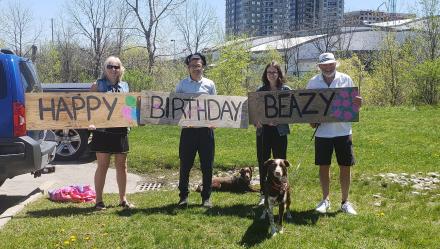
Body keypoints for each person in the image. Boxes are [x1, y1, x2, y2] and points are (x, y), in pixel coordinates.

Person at [306, 52, 362, 215]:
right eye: (325, 64)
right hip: (322, 133)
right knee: (324, 167)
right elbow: (309, 110)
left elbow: (353, 106)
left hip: (343, 130)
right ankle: (325, 200)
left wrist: (359, 104)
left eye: (331, 64)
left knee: (345, 166)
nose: (328, 67)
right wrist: (312, 121)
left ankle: (345, 202)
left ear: (335, 64)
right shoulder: (313, 82)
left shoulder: (346, 79)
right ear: (320, 66)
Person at [88, 56, 134, 210]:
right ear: (104, 68)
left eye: (116, 66)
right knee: (103, 165)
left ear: (120, 69)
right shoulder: (97, 85)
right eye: (110, 66)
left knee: (122, 166)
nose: (113, 69)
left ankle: (123, 199)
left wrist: (133, 120)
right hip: (102, 132)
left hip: (121, 131)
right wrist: (90, 122)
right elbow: (88, 107)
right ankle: (99, 201)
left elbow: (129, 107)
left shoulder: (126, 86)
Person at [175, 52, 216, 208]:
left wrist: (214, 121)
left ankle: (206, 198)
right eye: (192, 66)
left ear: (203, 67)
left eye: (198, 66)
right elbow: (175, 108)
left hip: (206, 131)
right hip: (188, 131)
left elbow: (215, 106)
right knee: (185, 164)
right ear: (188, 67)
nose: (195, 68)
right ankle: (183, 197)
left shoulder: (210, 85)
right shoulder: (182, 85)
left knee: (207, 165)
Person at [255, 61, 291, 206]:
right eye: (269, 72)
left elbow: (291, 111)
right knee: (263, 162)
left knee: (280, 163)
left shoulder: (286, 90)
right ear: (265, 74)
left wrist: (280, 120)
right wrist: (256, 121)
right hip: (264, 131)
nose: (272, 75)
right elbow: (255, 111)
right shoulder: (260, 91)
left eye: (274, 72)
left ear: (279, 74)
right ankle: (264, 193)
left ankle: (281, 191)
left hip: (279, 131)